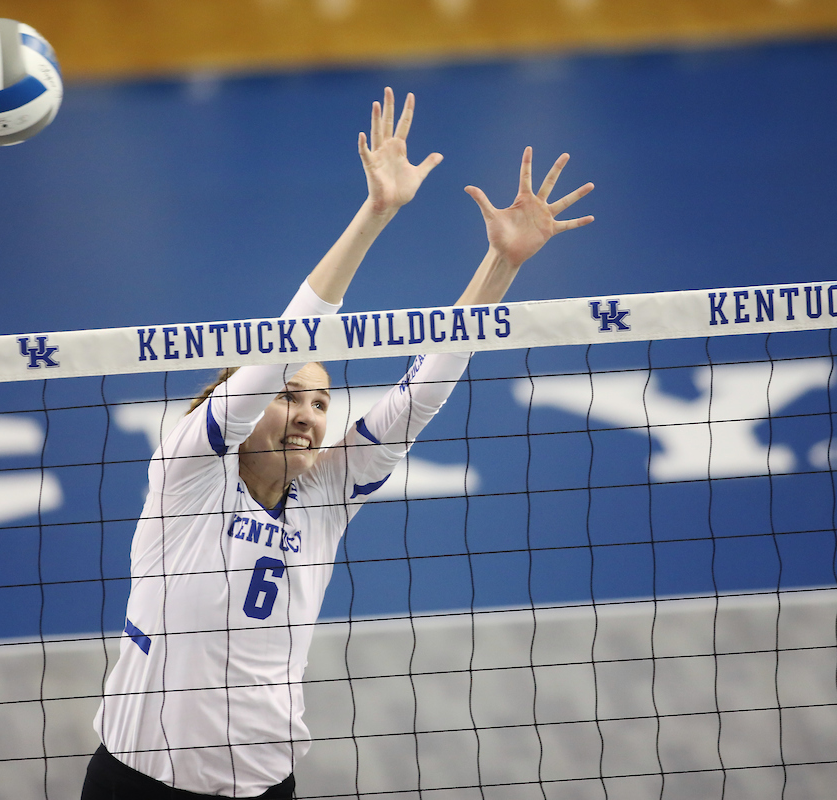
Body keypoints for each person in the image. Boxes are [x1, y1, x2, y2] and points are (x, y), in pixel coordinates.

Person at [81, 88, 594, 799]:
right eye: (289, 396)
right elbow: (284, 342)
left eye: (320, 403)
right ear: (247, 403)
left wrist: (501, 264)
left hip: (267, 786)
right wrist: (376, 212)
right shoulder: (188, 474)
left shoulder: (323, 493)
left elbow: (418, 397)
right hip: (142, 783)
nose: (307, 415)